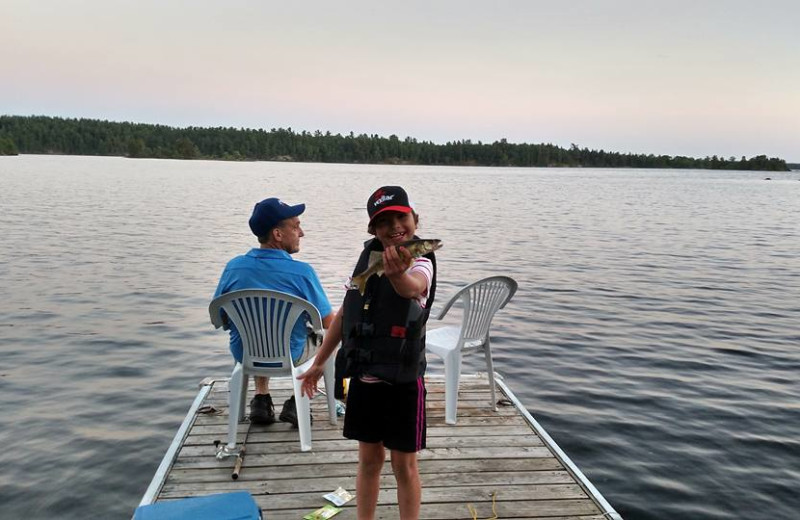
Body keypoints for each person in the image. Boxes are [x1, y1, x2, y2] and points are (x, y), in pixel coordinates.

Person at [299, 186, 437, 520]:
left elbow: (413, 287)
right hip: (364, 377)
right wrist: (319, 364)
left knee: (403, 464)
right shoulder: (367, 261)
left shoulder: (421, 259)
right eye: (383, 222)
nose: (394, 227)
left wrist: (397, 275)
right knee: (368, 461)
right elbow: (346, 314)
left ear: (415, 219)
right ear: (372, 230)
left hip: (403, 381)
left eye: (400, 218)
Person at [214, 197, 334, 426]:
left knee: (259, 330)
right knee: (336, 331)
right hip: (291, 354)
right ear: (278, 234)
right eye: (296, 226)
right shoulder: (301, 272)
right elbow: (328, 322)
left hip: (245, 352)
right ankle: (296, 401)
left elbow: (219, 317)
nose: (302, 233)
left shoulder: (233, 267)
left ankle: (260, 399)